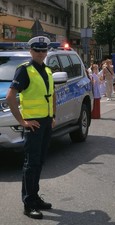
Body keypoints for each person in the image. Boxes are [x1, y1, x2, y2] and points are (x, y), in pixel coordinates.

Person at [6, 36, 54, 219]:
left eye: (44, 50)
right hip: (33, 123)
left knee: (39, 161)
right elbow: (11, 97)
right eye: (37, 50)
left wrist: (53, 116)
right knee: (31, 163)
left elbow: (52, 94)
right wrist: (22, 121)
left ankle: (35, 197)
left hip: (46, 122)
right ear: (31, 51)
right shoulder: (24, 70)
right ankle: (28, 203)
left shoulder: (47, 70)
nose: (41, 53)